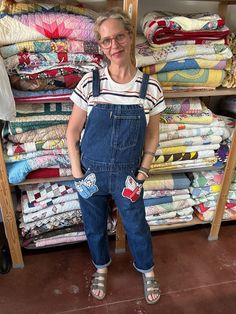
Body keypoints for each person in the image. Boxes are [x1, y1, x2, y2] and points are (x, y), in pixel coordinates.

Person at [66, 7, 166, 305]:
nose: (114, 46)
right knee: (94, 227)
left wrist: (143, 173)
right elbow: (72, 133)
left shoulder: (150, 88)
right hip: (90, 175)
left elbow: (152, 134)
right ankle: (100, 267)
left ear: (130, 37)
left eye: (119, 37)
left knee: (137, 225)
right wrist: (77, 176)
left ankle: (147, 270)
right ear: (101, 45)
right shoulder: (90, 83)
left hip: (128, 175)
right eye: (106, 40)